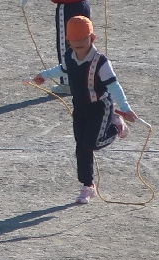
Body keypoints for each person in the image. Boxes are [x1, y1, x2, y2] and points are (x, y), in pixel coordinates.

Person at [32, 15, 141, 205]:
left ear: (93, 38)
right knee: (81, 146)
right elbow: (62, 69)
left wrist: (125, 109)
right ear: (68, 40)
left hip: (100, 107)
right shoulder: (69, 56)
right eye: (75, 40)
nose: (79, 43)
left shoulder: (101, 62)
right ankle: (87, 185)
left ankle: (116, 126)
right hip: (80, 108)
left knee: (92, 143)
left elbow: (114, 86)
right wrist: (44, 75)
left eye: (84, 39)